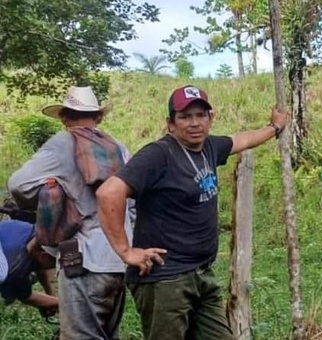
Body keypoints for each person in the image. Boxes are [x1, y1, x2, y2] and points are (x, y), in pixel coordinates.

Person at [95, 85, 287, 340]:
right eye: (185, 117)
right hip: (166, 280)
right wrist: (125, 251)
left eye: (200, 115)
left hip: (201, 274)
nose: (194, 123)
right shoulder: (158, 155)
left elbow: (241, 139)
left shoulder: (209, 148)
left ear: (210, 118)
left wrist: (274, 128)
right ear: (170, 123)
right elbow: (108, 192)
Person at [7, 86, 134, 340]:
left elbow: (18, 185)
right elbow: (134, 203)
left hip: (83, 260)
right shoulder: (119, 148)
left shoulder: (62, 143)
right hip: (120, 258)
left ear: (64, 117)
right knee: (109, 334)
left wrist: (50, 192)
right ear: (98, 117)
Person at [0, 219, 58, 315]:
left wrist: (50, 295)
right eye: (55, 262)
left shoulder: (33, 232)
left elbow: (40, 266)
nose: (55, 266)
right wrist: (62, 304)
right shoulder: (15, 271)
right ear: (43, 256)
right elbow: (28, 297)